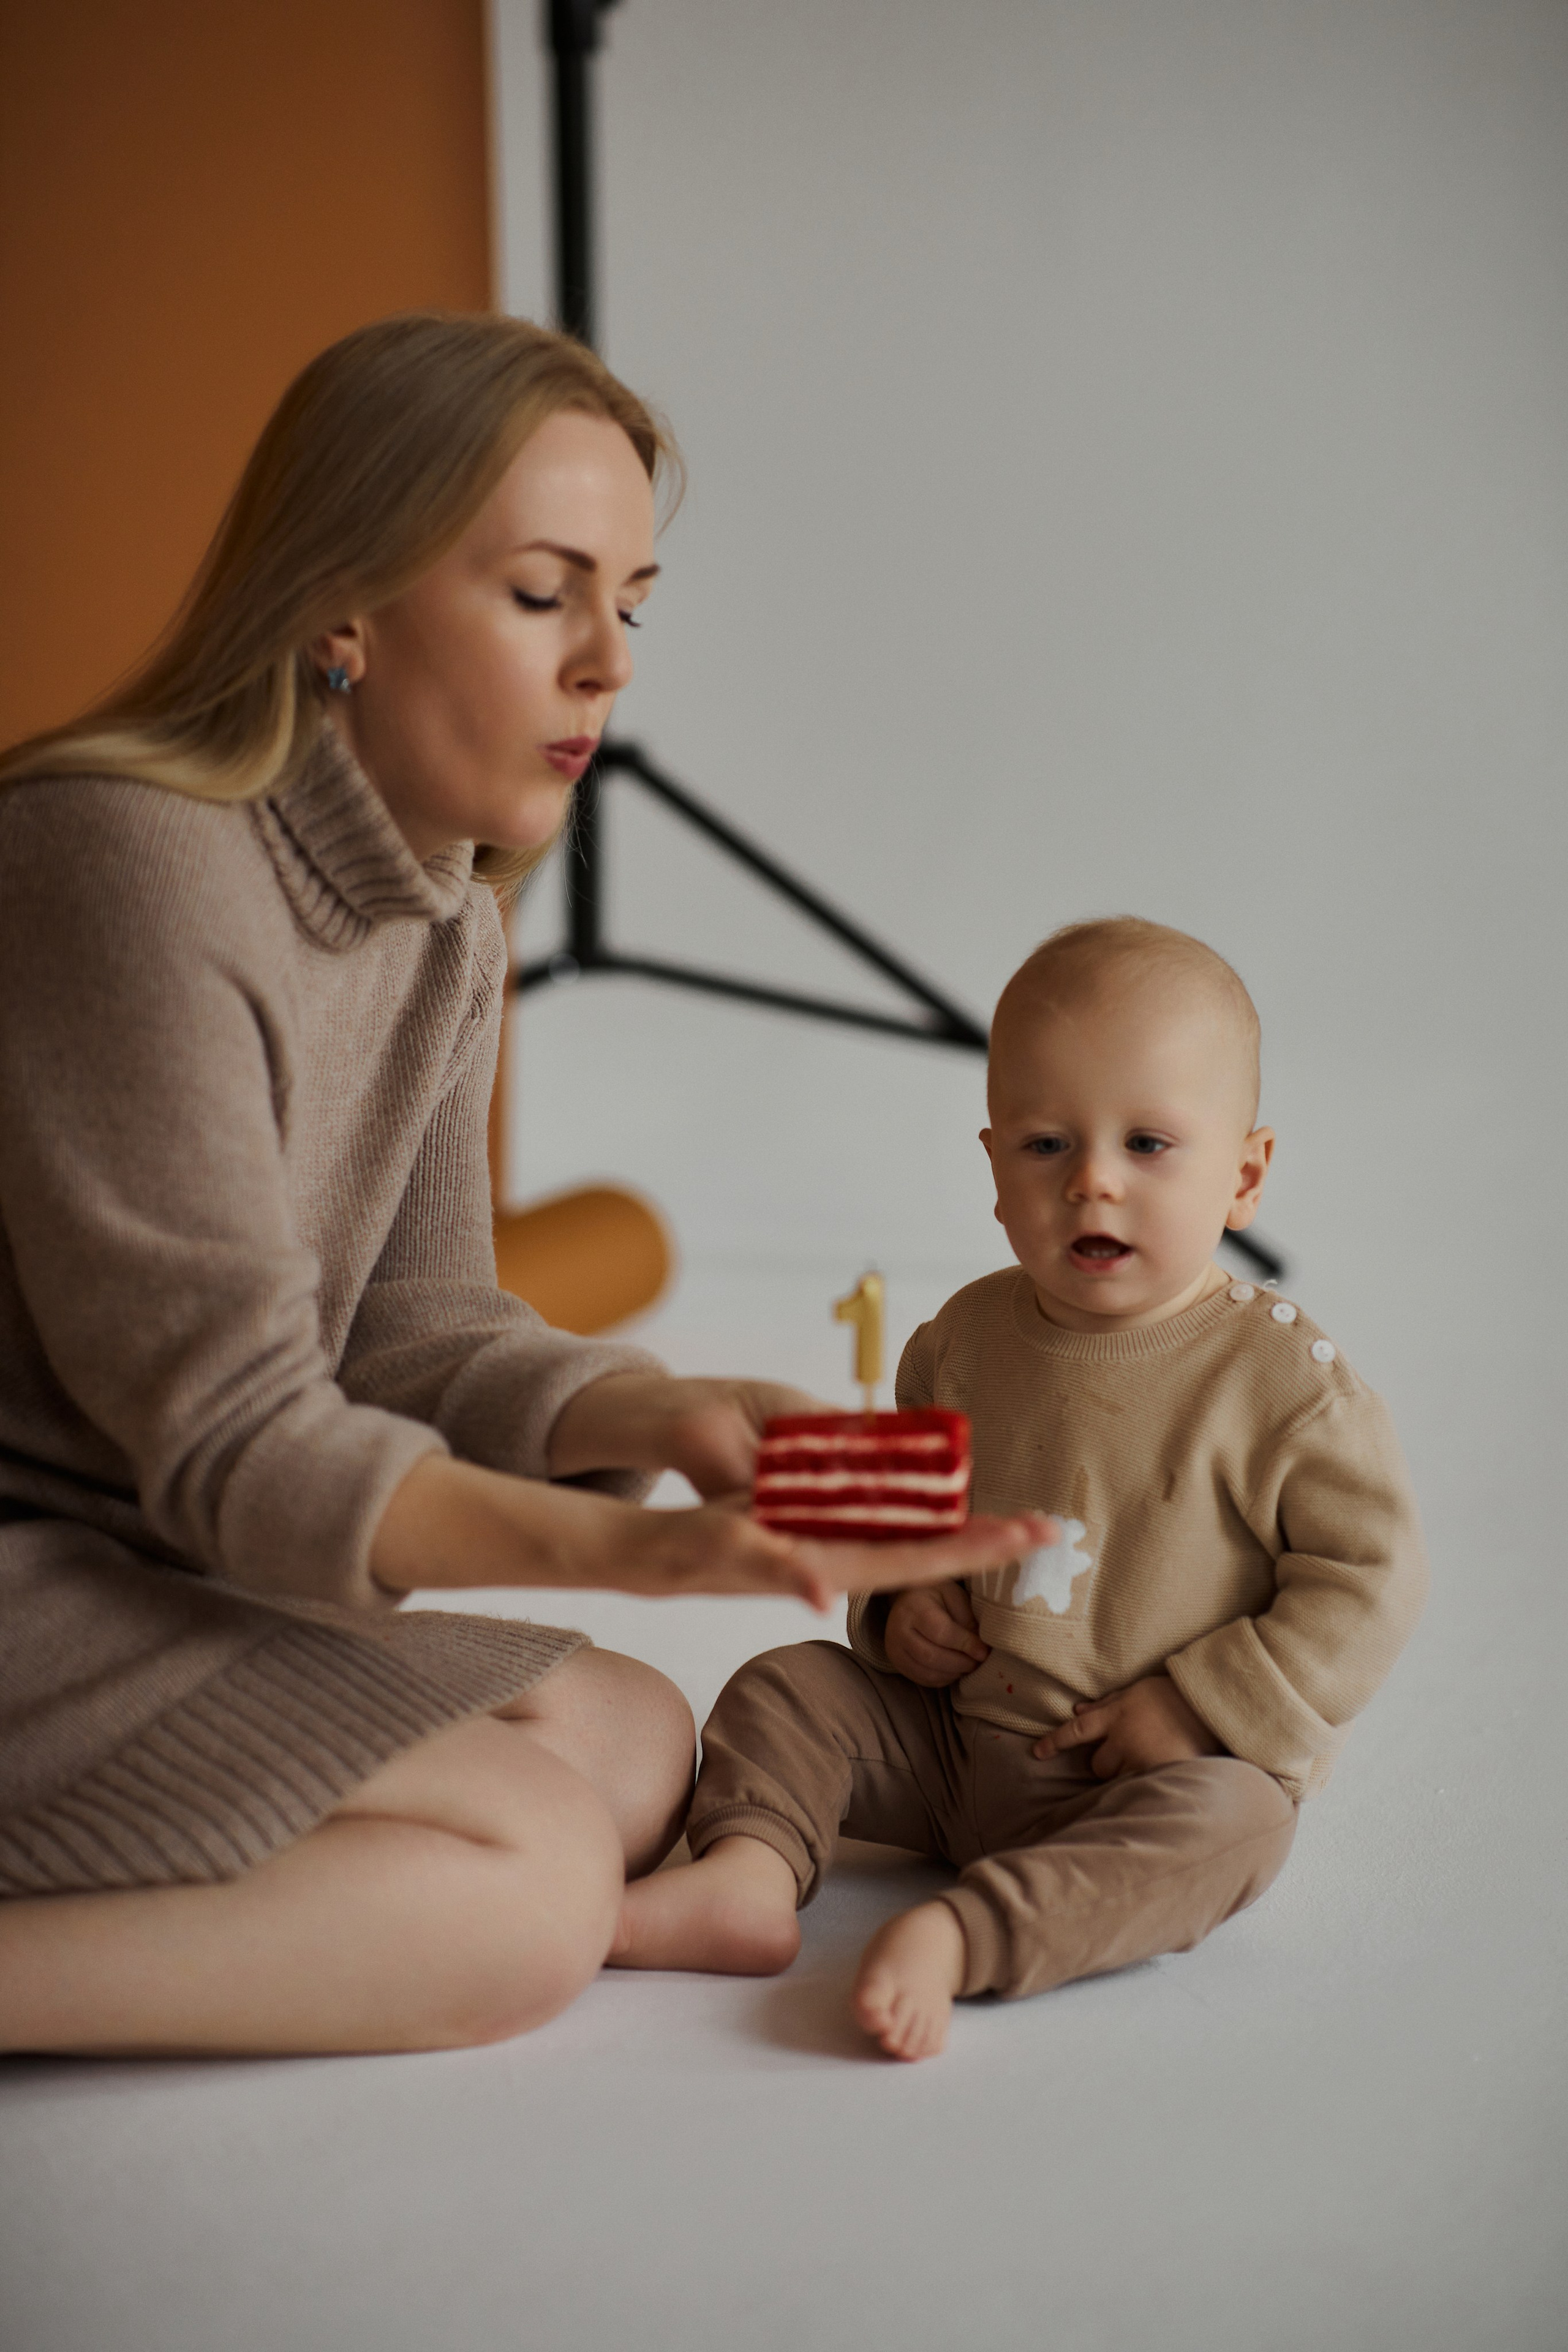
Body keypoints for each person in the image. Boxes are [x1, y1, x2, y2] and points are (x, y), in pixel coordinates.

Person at [0, 313, 1052, 2059]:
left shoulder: (444, 916)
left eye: (630, 604)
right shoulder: (121, 865)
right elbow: (240, 1434)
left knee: (638, 1744)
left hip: (174, 1574)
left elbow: (414, 1326)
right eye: (544, 592)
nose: (609, 665)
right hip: (48, 1574)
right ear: (341, 604)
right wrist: (641, 1548)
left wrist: (667, 1411)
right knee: (537, 1884)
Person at [614, 918, 1430, 2059]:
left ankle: (972, 1934)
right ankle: (749, 1873)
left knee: (1240, 1827)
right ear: (994, 1167)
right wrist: (903, 1615)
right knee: (789, 1686)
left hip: (1131, 1773)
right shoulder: (958, 1343)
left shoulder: (1284, 1385)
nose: (1093, 1181)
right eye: (1048, 1146)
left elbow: (1371, 1580)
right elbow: (906, 1531)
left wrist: (1204, 1706)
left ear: (1243, 1176)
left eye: (1148, 1145)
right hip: (951, 1744)